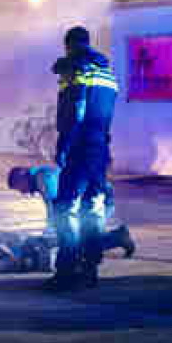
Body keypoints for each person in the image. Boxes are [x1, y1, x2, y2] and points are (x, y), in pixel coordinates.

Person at [48, 25, 119, 290]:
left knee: (65, 209)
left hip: (79, 148)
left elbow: (76, 112)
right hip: (100, 149)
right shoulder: (108, 74)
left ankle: (65, 271)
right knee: (93, 208)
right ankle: (90, 269)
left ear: (69, 45)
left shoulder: (78, 69)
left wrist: (64, 146)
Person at [7, 165, 135, 259]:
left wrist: (49, 235)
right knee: (76, 239)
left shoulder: (43, 178)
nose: (22, 192)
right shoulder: (40, 178)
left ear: (23, 176)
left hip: (98, 198)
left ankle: (119, 238)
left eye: (20, 187)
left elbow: (56, 208)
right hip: (89, 198)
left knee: (79, 241)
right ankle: (119, 236)